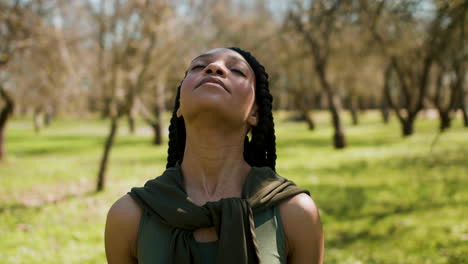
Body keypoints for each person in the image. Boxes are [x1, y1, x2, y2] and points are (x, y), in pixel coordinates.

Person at [105, 47, 324, 264]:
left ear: (255, 112)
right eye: (199, 66)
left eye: (237, 70)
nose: (214, 67)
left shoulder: (296, 214)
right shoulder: (128, 216)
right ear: (180, 105)